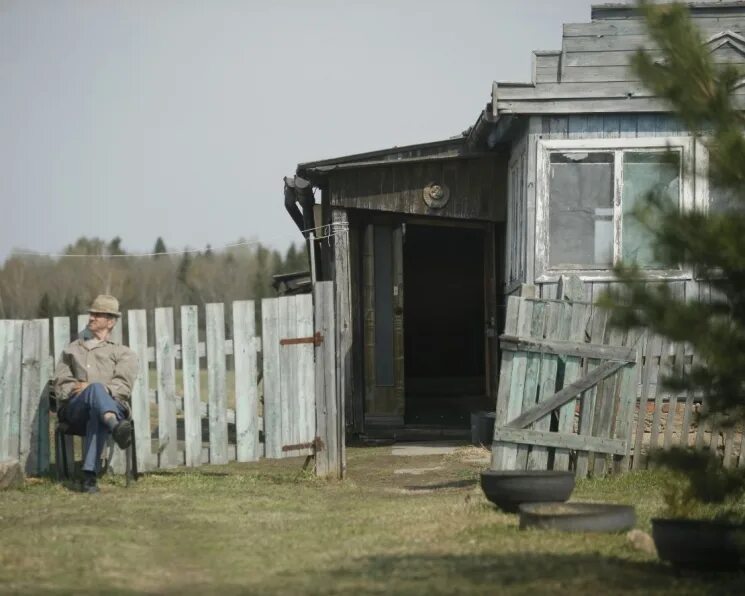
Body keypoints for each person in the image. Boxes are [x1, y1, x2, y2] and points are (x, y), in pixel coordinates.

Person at [54, 294, 138, 493]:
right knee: (95, 394)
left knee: (97, 407)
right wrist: (84, 390)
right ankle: (115, 426)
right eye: (91, 314)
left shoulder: (124, 353)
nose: (91, 318)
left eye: (97, 315)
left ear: (110, 321)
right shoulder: (71, 350)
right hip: (76, 409)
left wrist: (94, 387)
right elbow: (61, 384)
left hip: (112, 405)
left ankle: (89, 478)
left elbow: (123, 387)